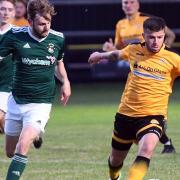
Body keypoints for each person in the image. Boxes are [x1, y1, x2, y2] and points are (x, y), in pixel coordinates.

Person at [88, 17, 179, 180]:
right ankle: (114, 176)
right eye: (151, 37)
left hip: (154, 115)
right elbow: (117, 54)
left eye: (160, 37)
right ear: (144, 36)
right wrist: (100, 55)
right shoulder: (134, 49)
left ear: (164, 36)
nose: (156, 42)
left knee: (146, 149)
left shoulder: (174, 59)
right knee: (115, 160)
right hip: (126, 114)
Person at [0, 0, 71, 179]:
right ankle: (37, 136)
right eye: (41, 23)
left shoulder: (58, 38)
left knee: (22, 145)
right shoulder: (14, 36)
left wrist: (66, 82)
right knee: (10, 152)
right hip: (16, 101)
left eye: (48, 22)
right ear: (29, 21)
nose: (46, 27)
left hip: (41, 103)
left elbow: (58, 63)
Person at [103, 0, 176, 154]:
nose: (127, 5)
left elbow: (170, 35)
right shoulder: (120, 24)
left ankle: (165, 140)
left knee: (150, 108)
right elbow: (120, 49)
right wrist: (110, 50)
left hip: (155, 69)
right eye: (125, 2)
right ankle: (164, 140)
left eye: (131, 2)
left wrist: (163, 54)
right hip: (136, 68)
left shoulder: (146, 20)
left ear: (138, 4)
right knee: (139, 107)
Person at [0, 0, 15, 134]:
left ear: (14, 13)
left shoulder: (17, 34)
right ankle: (30, 134)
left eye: (10, 10)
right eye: (2, 9)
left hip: (8, 85)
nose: (6, 13)